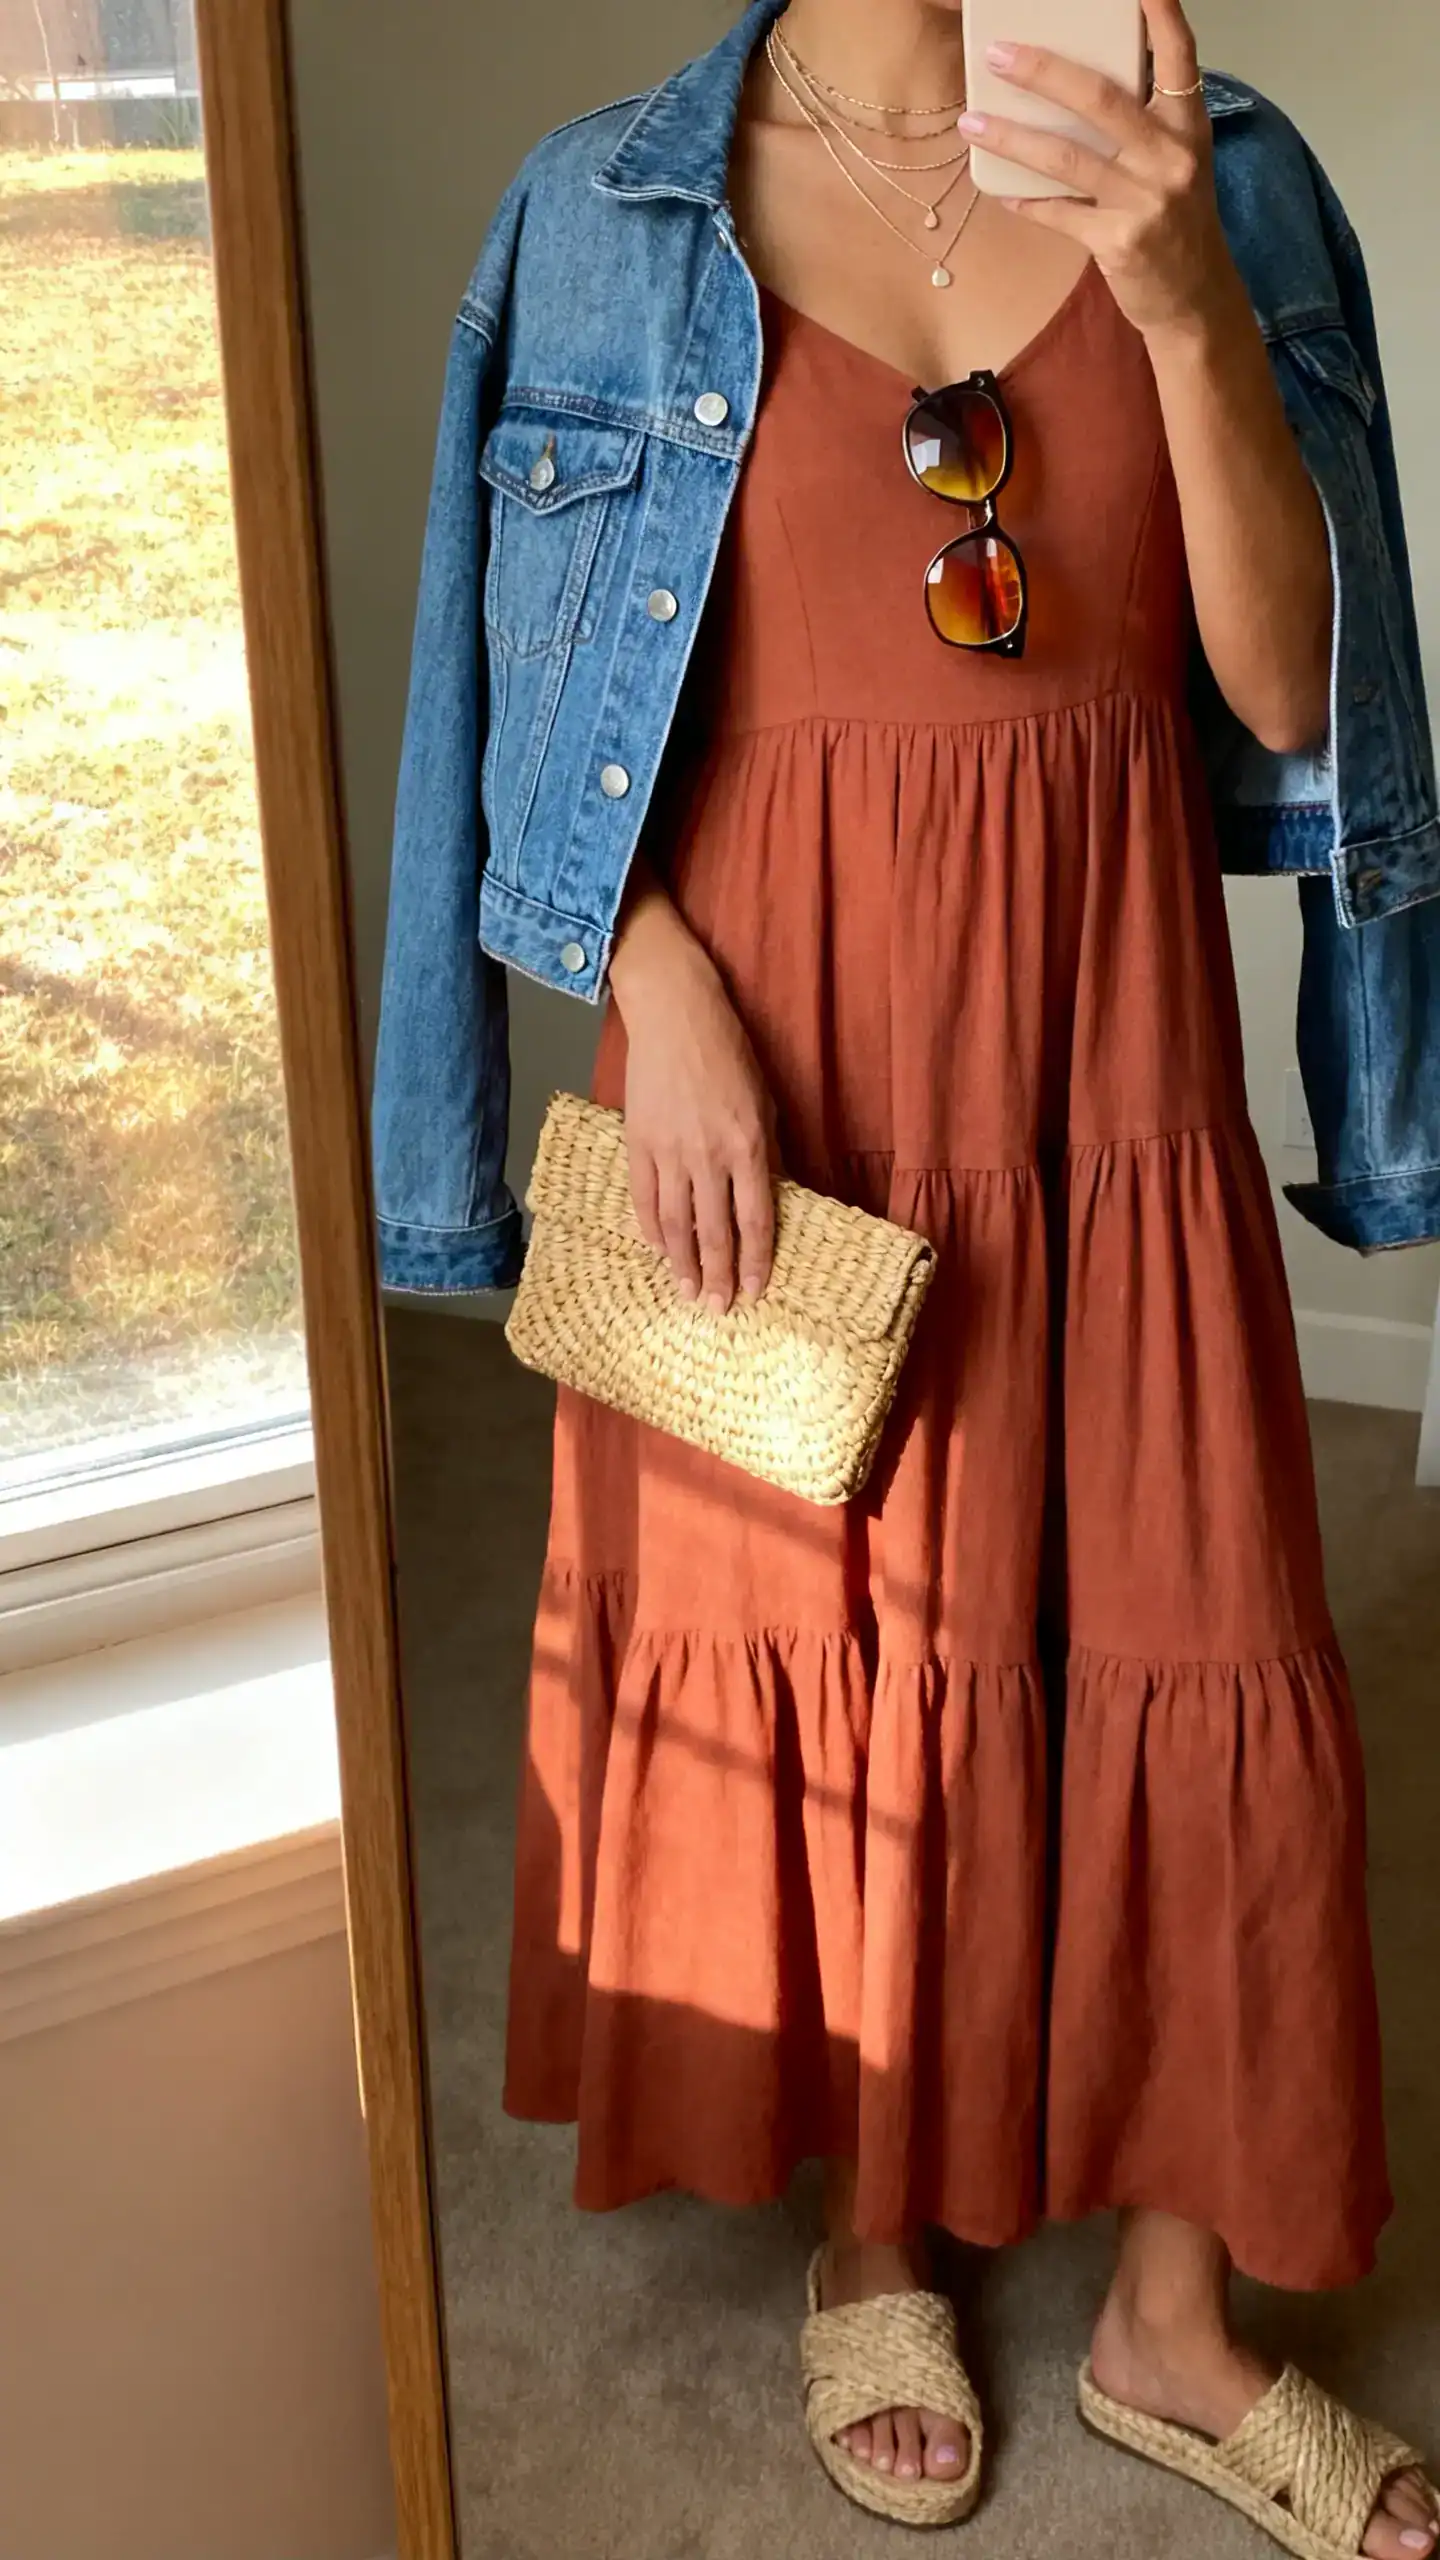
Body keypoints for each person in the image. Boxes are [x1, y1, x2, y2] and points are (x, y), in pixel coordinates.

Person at [372, 0, 1440, 2546]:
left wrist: (1179, 301)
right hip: (767, 1063)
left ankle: (1175, 2320)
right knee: (849, 1647)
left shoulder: (1226, 175)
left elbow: (1298, 693)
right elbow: (522, 709)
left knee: (1189, 1618)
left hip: (1111, 1053)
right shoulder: (606, 213)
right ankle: (880, 2213)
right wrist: (653, 1003)